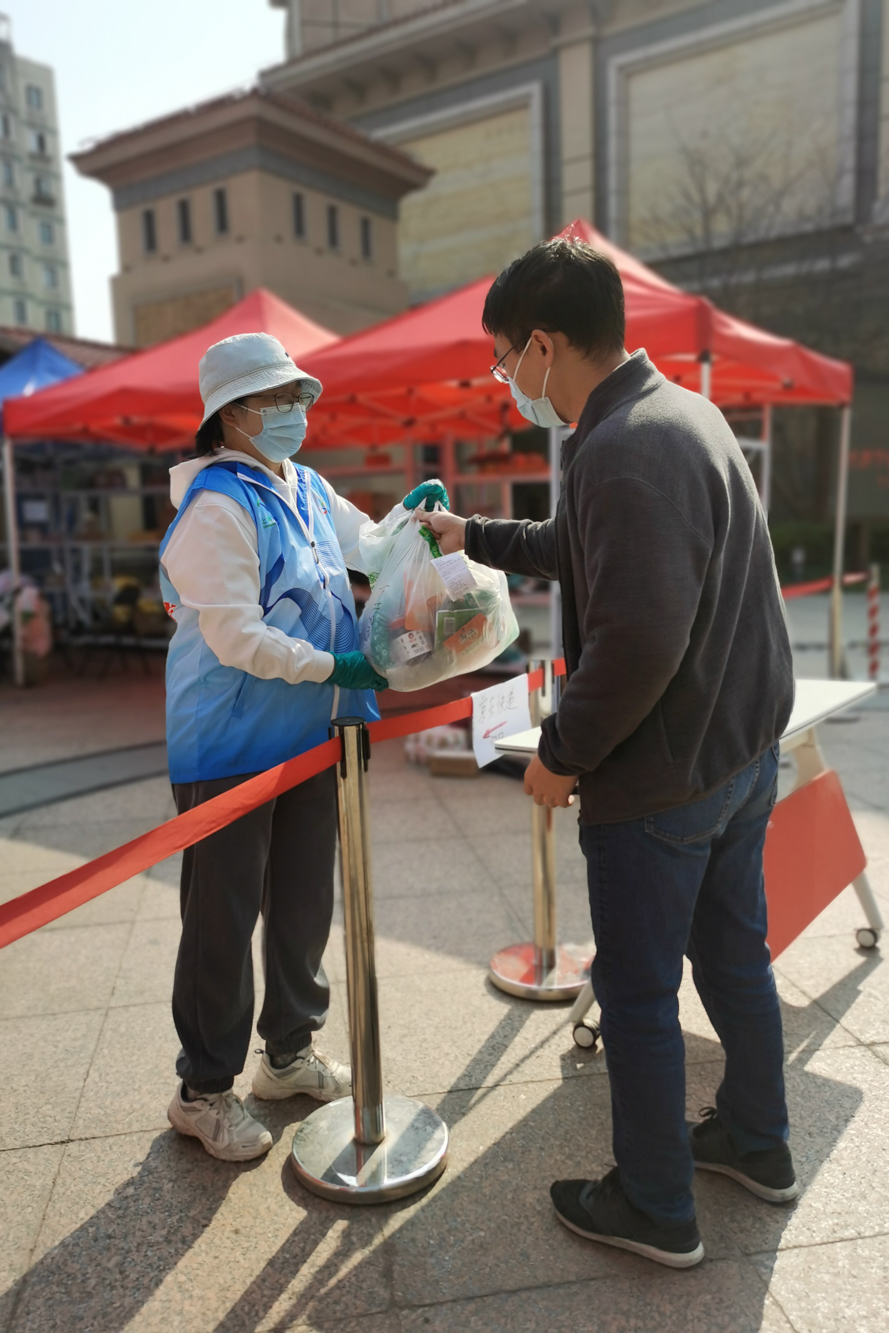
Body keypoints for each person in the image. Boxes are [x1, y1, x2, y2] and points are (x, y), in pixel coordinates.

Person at [424, 240, 796, 1268]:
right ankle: (756, 1141)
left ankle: (655, 1203)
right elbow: (576, 546)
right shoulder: (677, 414)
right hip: (736, 753)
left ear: (544, 344)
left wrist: (560, 751)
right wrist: (470, 533)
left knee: (635, 992)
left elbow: (636, 640)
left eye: (506, 357)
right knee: (735, 958)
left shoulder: (620, 450)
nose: (507, 378)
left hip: (663, 778)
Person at [160, 331, 448, 1162]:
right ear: (231, 413)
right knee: (221, 918)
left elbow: (368, 547)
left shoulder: (308, 486)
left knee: (300, 902)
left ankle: (287, 1053)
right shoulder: (215, 507)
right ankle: (202, 1088)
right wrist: (336, 664)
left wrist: (410, 519)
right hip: (231, 743)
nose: (295, 409)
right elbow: (238, 636)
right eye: (277, 398)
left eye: (298, 395)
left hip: (317, 734)